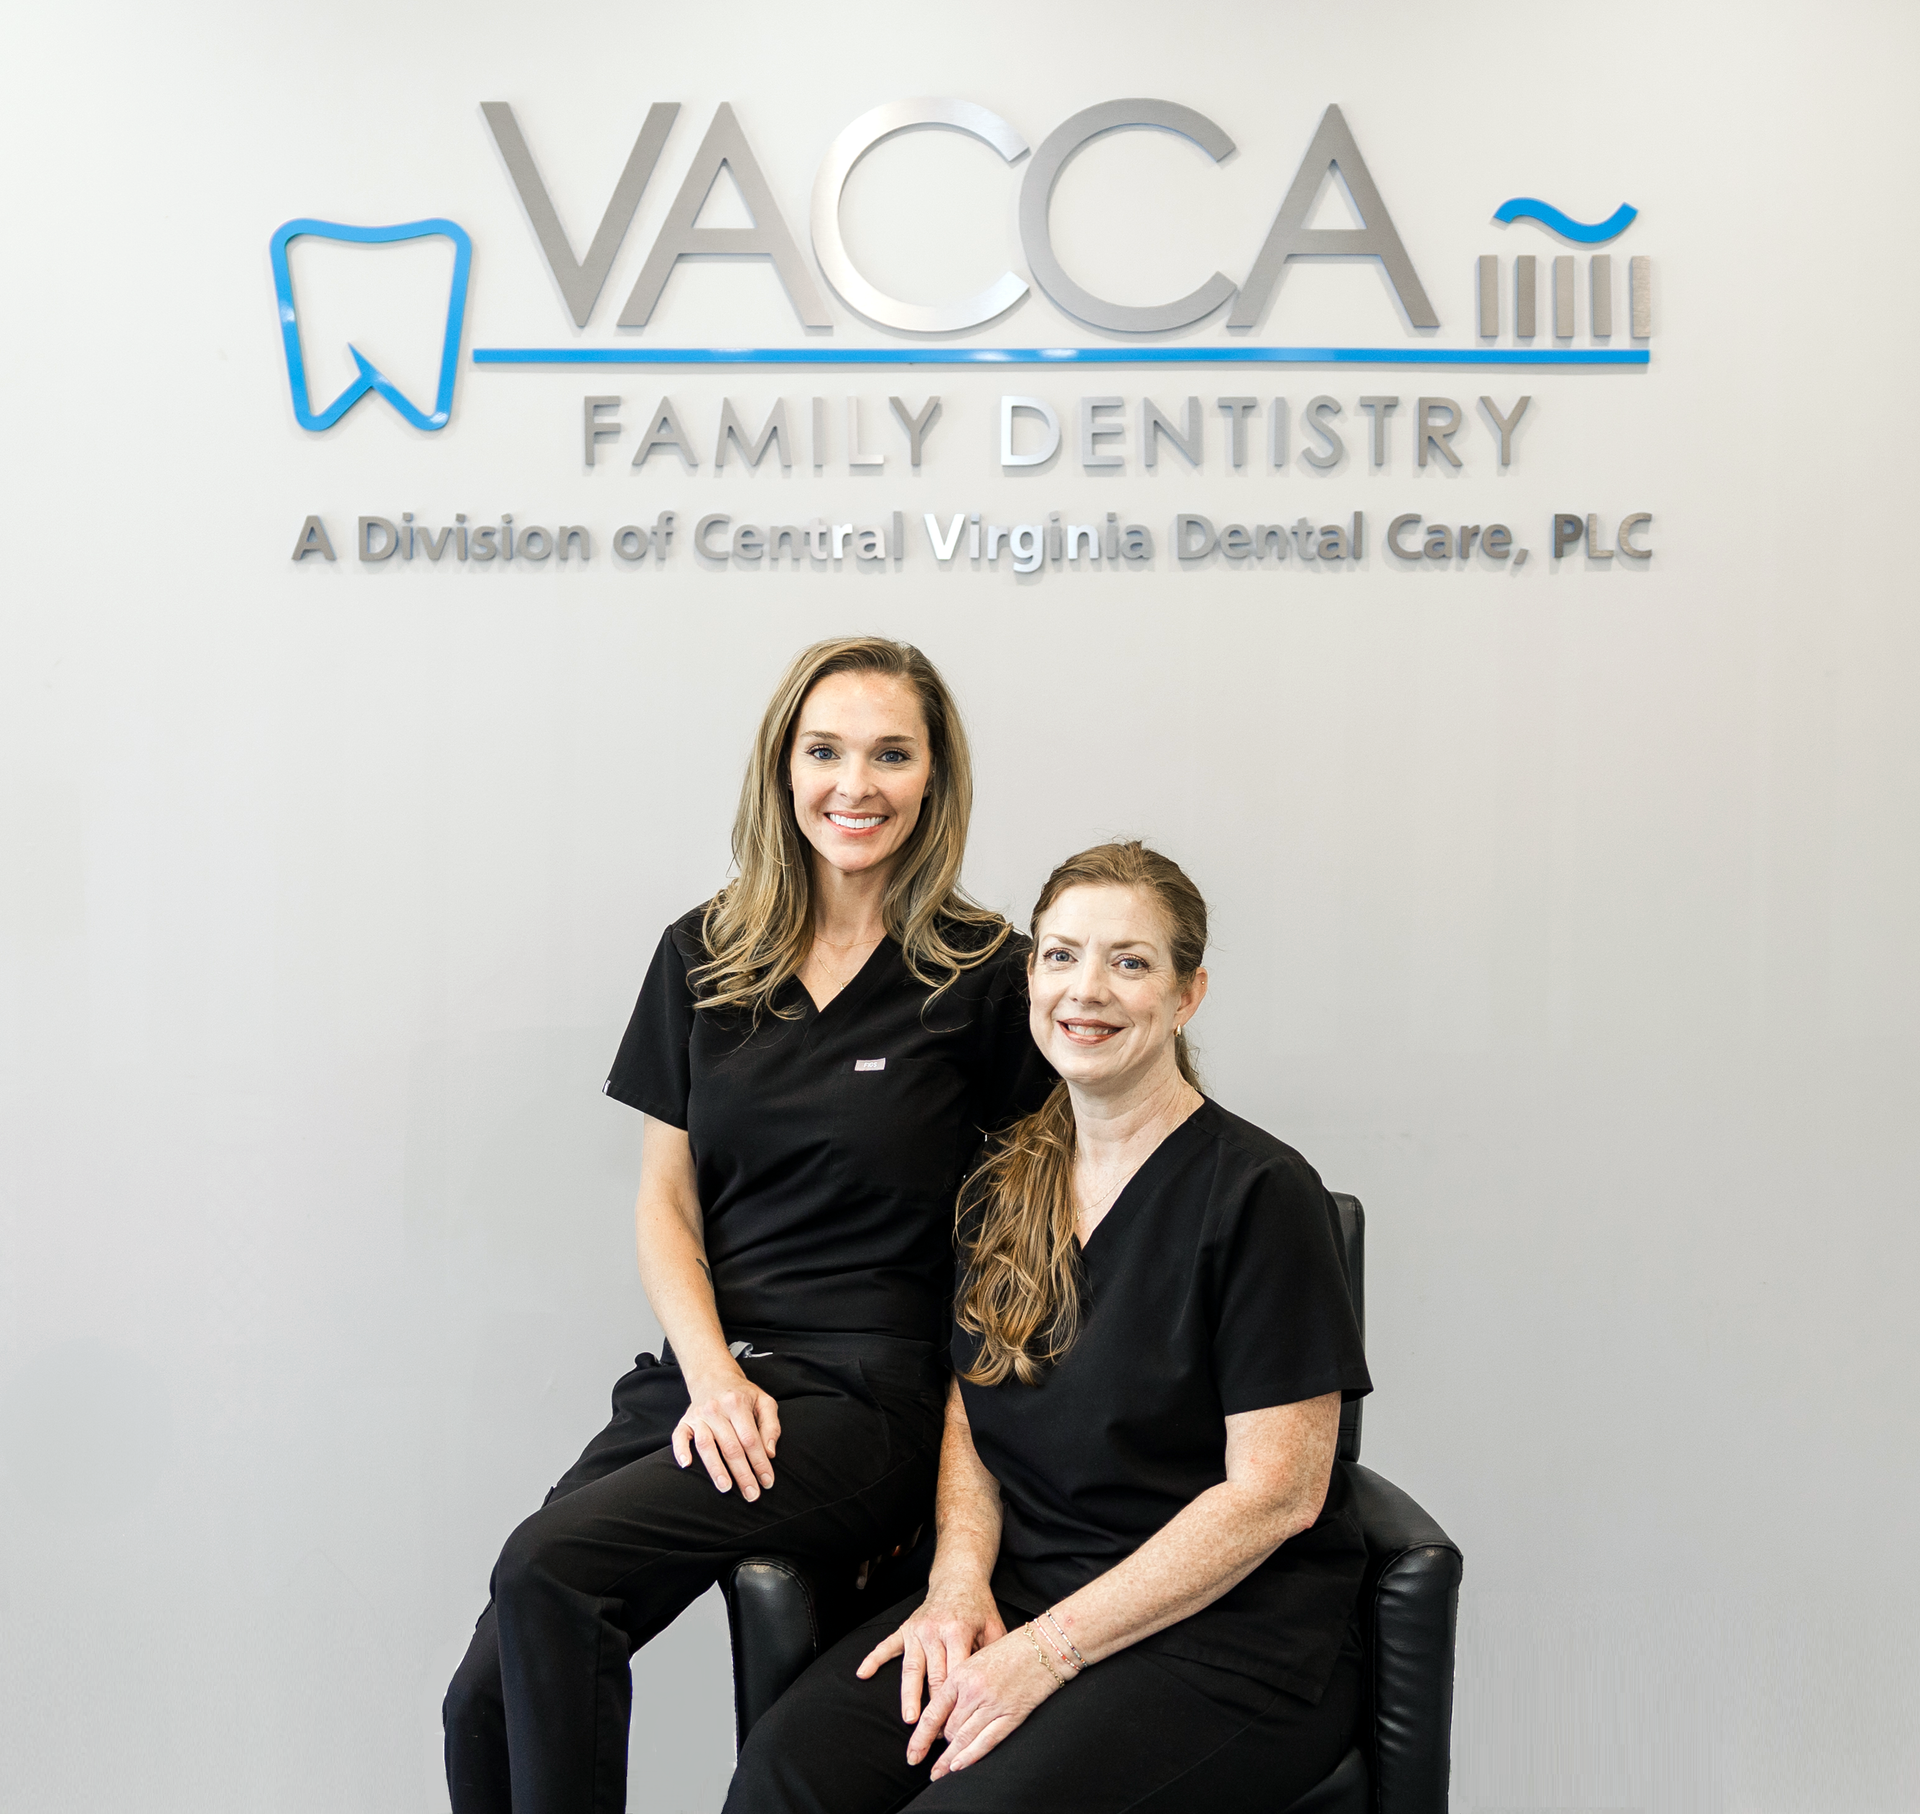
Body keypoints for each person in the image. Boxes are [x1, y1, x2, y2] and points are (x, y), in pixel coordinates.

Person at [443, 636, 1052, 1814]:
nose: (855, 784)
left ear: (935, 776)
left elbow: (1035, 1224)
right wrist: (713, 1375)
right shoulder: (704, 952)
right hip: (709, 1375)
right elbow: (665, 1200)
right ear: (783, 766)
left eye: (891, 754)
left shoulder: (988, 975)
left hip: (866, 1394)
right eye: (825, 751)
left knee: (548, 1567)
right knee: (486, 1696)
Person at [727, 840, 1373, 1814]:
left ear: (1188, 994)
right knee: (788, 1771)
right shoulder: (1005, 1182)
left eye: (1130, 960)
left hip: (1222, 1636)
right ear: (1031, 978)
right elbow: (971, 1408)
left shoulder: (1262, 1194)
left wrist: (1048, 1653)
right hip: (1028, 1594)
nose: (1088, 989)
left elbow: (1275, 1495)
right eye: (1062, 955)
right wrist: (955, 1586)